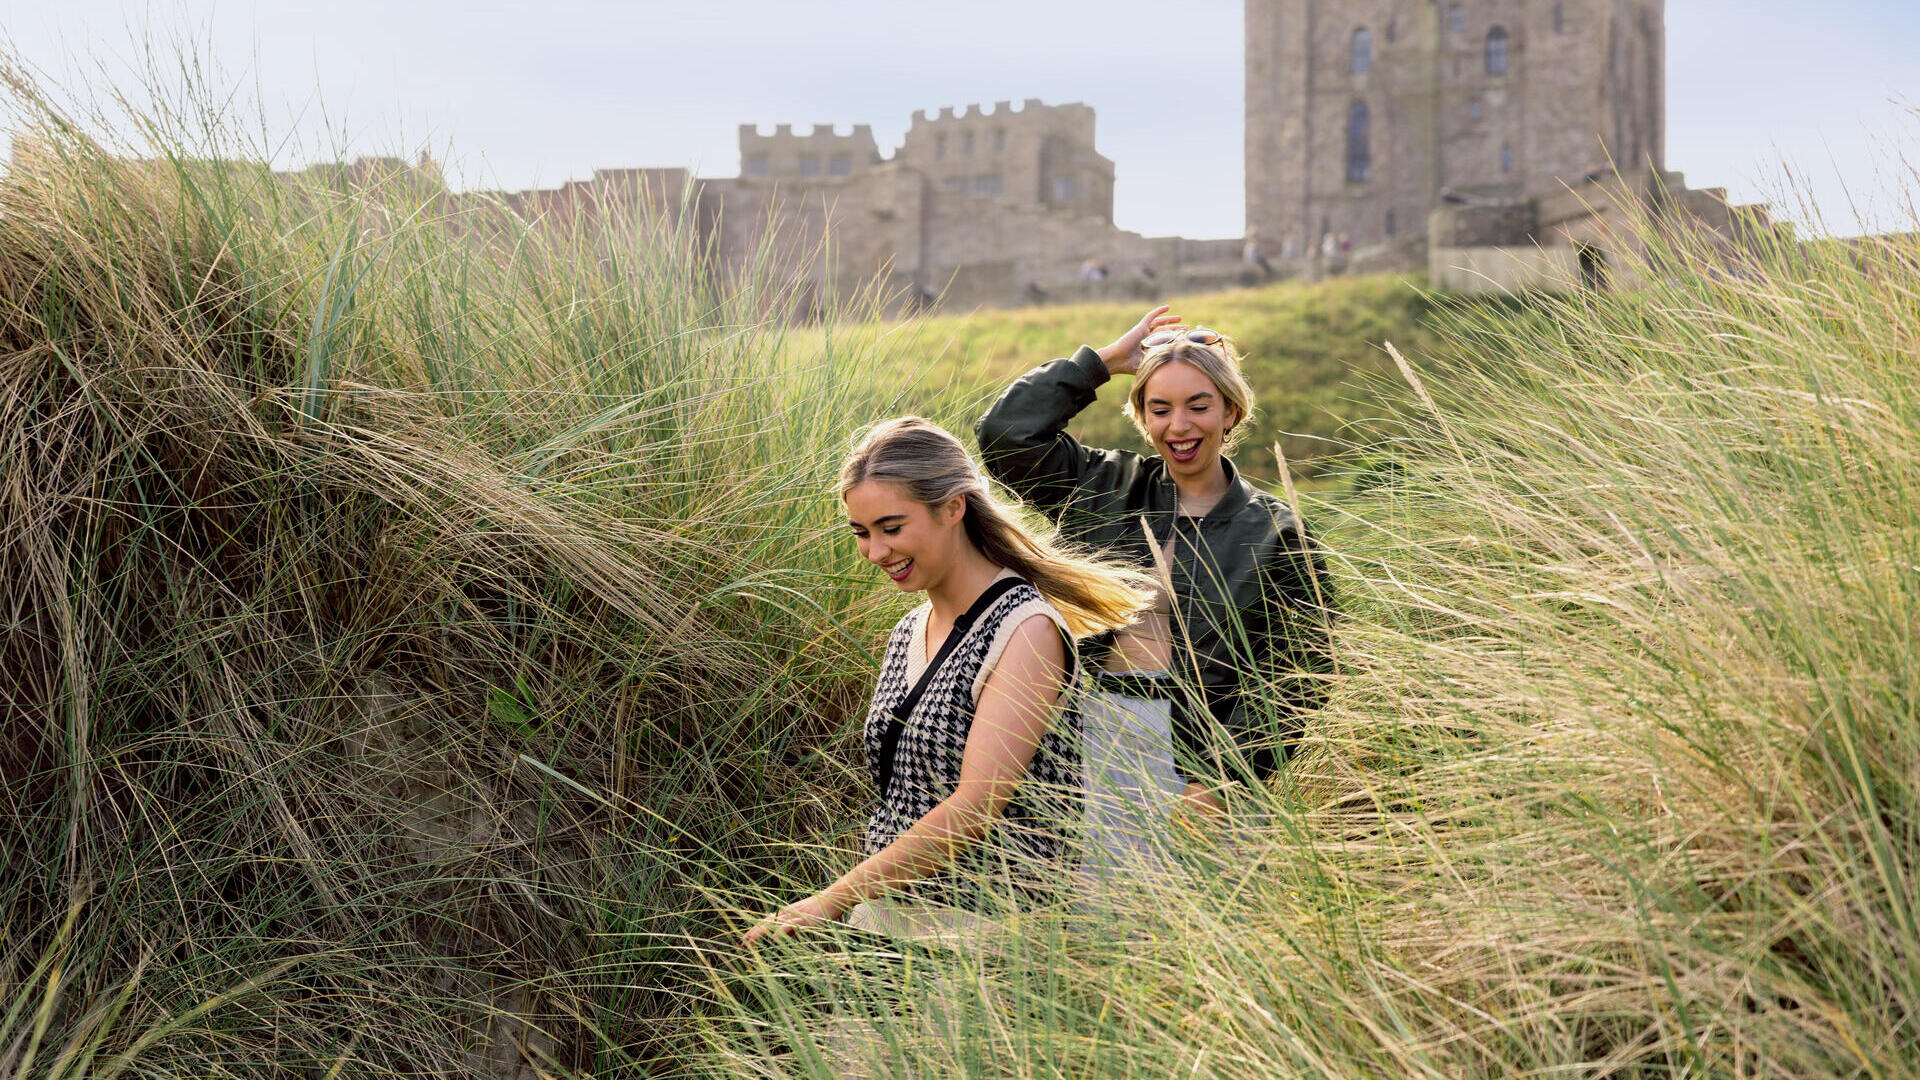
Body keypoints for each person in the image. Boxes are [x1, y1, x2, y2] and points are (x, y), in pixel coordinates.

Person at [744, 418, 1151, 943]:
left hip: (987, 934)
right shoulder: (910, 629)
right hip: (887, 924)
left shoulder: (1024, 630)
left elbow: (975, 807)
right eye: (862, 533)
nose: (875, 552)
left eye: (892, 528)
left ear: (953, 507)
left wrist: (829, 900)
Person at [975, 306, 1330, 867]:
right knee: (1090, 928)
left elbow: (1301, 672)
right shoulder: (1102, 486)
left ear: (1231, 410)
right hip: (1084, 730)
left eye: (1198, 406)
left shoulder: (1278, 532)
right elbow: (1006, 434)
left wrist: (1221, 778)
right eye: (1159, 409)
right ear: (1141, 416)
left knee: (1202, 931)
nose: (1179, 426)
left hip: (1207, 751)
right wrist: (1103, 362)